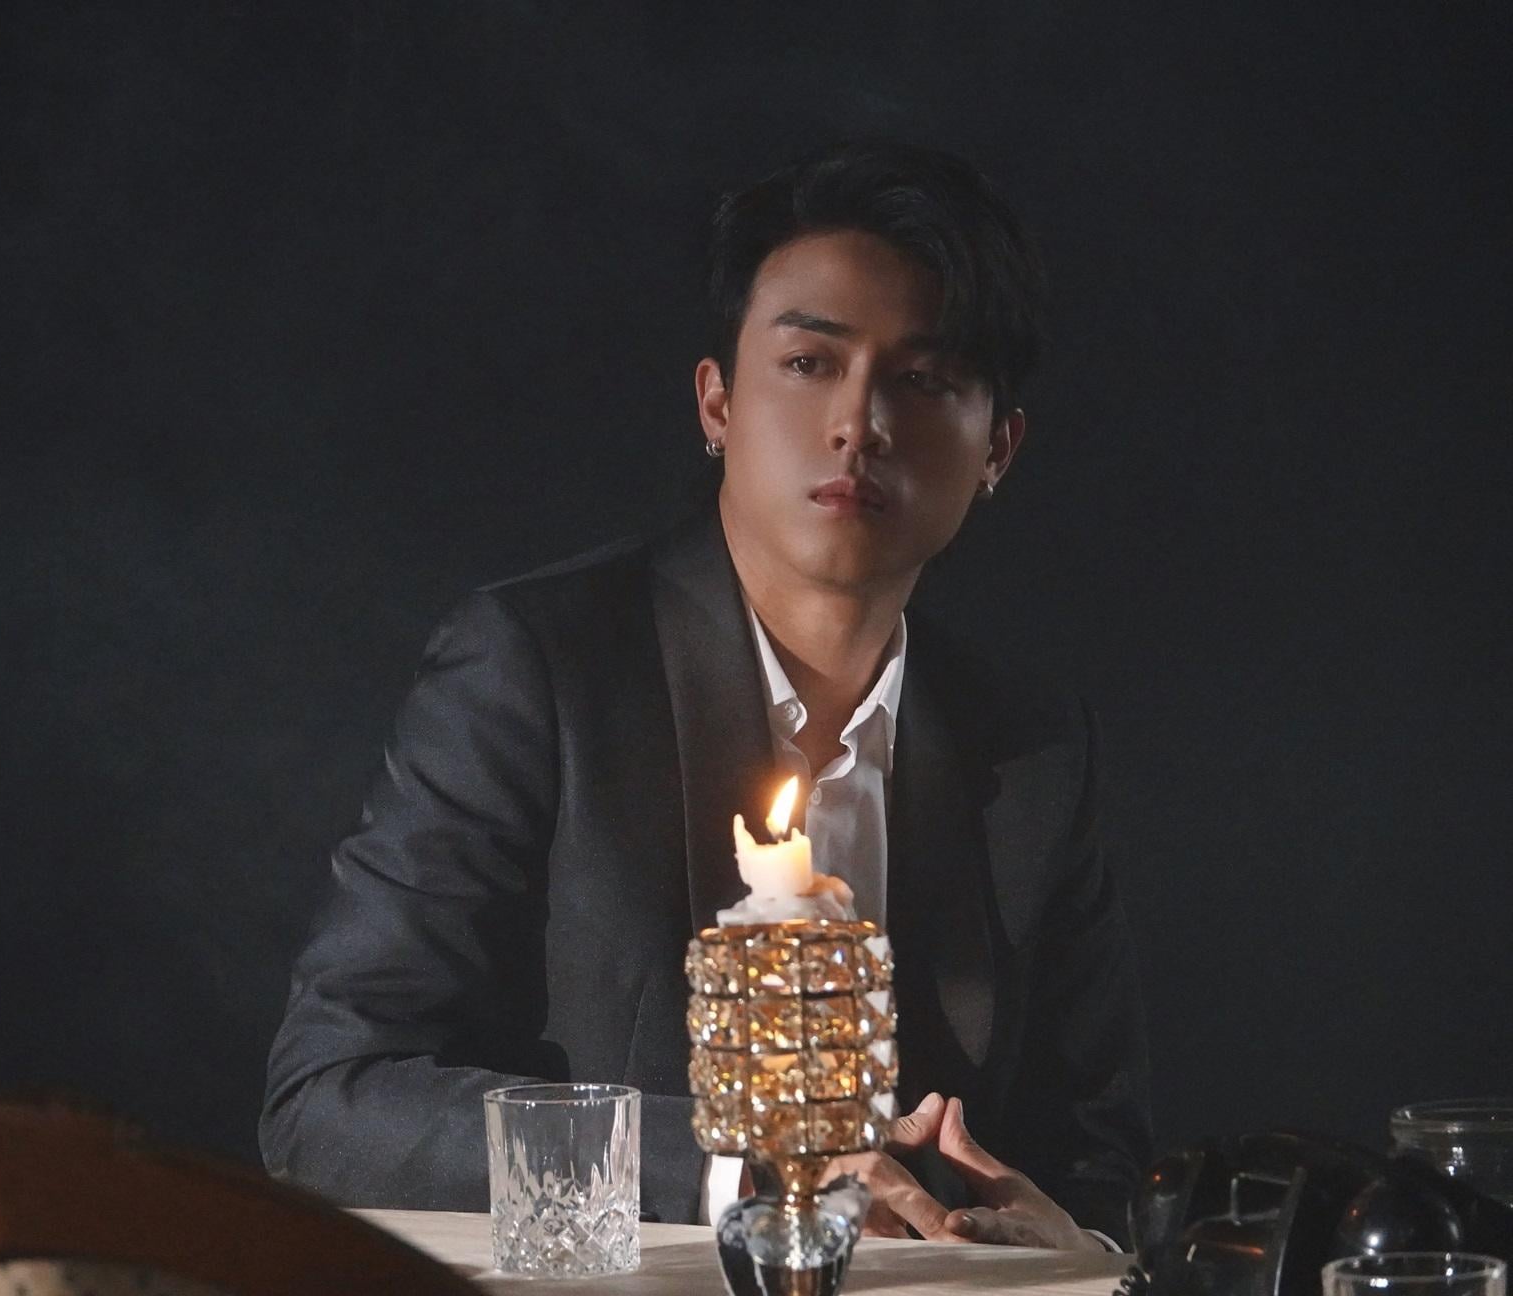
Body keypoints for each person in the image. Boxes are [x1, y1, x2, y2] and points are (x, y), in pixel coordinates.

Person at [259, 137, 1151, 1249]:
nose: (859, 423)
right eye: (810, 363)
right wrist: (737, 1174)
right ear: (717, 404)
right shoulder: (539, 668)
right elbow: (331, 1102)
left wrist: (1069, 1238)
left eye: (922, 380)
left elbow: (1096, 1158)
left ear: (998, 451)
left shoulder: (1031, 746)